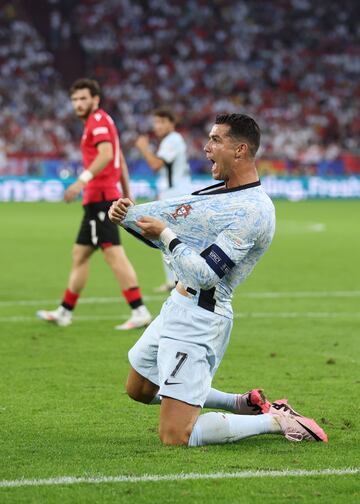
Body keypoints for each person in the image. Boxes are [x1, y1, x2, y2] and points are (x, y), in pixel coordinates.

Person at [109, 113, 328, 446]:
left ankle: (276, 420)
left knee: (175, 436)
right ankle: (243, 403)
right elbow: (178, 229)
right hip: (176, 306)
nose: (206, 147)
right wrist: (129, 217)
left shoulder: (254, 210)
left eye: (215, 140)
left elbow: (206, 275)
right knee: (138, 389)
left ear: (239, 150)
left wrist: (166, 234)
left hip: (200, 318)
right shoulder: (220, 194)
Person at [37, 78, 151, 330]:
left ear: (95, 99)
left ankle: (139, 310)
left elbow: (108, 155)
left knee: (113, 254)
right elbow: (118, 156)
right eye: (75, 100)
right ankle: (65, 311)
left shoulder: (97, 121)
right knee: (80, 254)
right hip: (99, 199)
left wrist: (81, 181)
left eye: (83, 99)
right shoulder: (102, 121)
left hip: (101, 199)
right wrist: (128, 191)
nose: (78, 104)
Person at [135, 108, 192, 292]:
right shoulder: (169, 141)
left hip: (177, 196)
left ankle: (181, 281)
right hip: (172, 194)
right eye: (155, 122)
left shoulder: (173, 139)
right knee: (165, 237)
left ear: (171, 123)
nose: (157, 126)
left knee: (169, 237)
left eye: (161, 122)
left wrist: (144, 148)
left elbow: (155, 164)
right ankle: (174, 281)